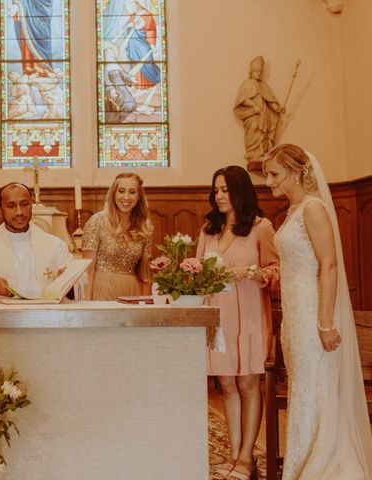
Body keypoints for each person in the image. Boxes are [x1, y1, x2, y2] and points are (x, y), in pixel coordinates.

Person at [263, 144, 372, 479]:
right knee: (302, 388)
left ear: (298, 172)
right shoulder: (293, 211)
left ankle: (324, 464)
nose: (269, 182)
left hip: (313, 314)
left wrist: (325, 322)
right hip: (294, 317)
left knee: (315, 388)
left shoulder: (313, 209)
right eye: (268, 174)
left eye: (275, 174)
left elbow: (329, 265)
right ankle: (301, 461)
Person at [195, 165, 279, 480]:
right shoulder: (208, 229)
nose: (219, 196)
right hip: (218, 316)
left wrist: (251, 273)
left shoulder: (261, 227)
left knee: (247, 383)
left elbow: (276, 271)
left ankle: (247, 458)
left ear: (240, 191)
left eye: (225, 190)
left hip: (250, 316)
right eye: (216, 190)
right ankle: (233, 455)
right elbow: (197, 269)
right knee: (226, 383)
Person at [0, 182, 82, 302]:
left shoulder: (56, 246)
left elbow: (79, 279)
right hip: (6, 317)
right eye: (11, 206)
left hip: (47, 315)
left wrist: (69, 279)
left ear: (31, 205)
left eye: (24, 204)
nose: (19, 212)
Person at [82, 172, 152, 300]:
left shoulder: (143, 228)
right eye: (121, 191)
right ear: (113, 194)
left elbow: (145, 276)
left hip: (132, 293)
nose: (126, 197)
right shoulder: (97, 221)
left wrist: (145, 306)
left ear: (139, 197)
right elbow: (88, 271)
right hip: (101, 291)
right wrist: (86, 305)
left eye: (132, 192)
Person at [234, 56, 284, 168]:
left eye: (260, 72)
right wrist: (254, 106)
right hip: (253, 114)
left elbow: (268, 100)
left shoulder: (263, 85)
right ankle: (253, 153)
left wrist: (277, 108)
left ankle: (263, 153)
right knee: (254, 129)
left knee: (263, 134)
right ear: (251, 71)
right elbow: (243, 99)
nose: (258, 74)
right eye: (256, 71)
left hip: (263, 114)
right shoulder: (246, 84)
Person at [9, 0, 53, 76]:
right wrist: (18, 4)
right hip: (27, 11)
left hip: (40, 13)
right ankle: (29, 67)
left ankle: (42, 67)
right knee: (26, 32)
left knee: (40, 36)